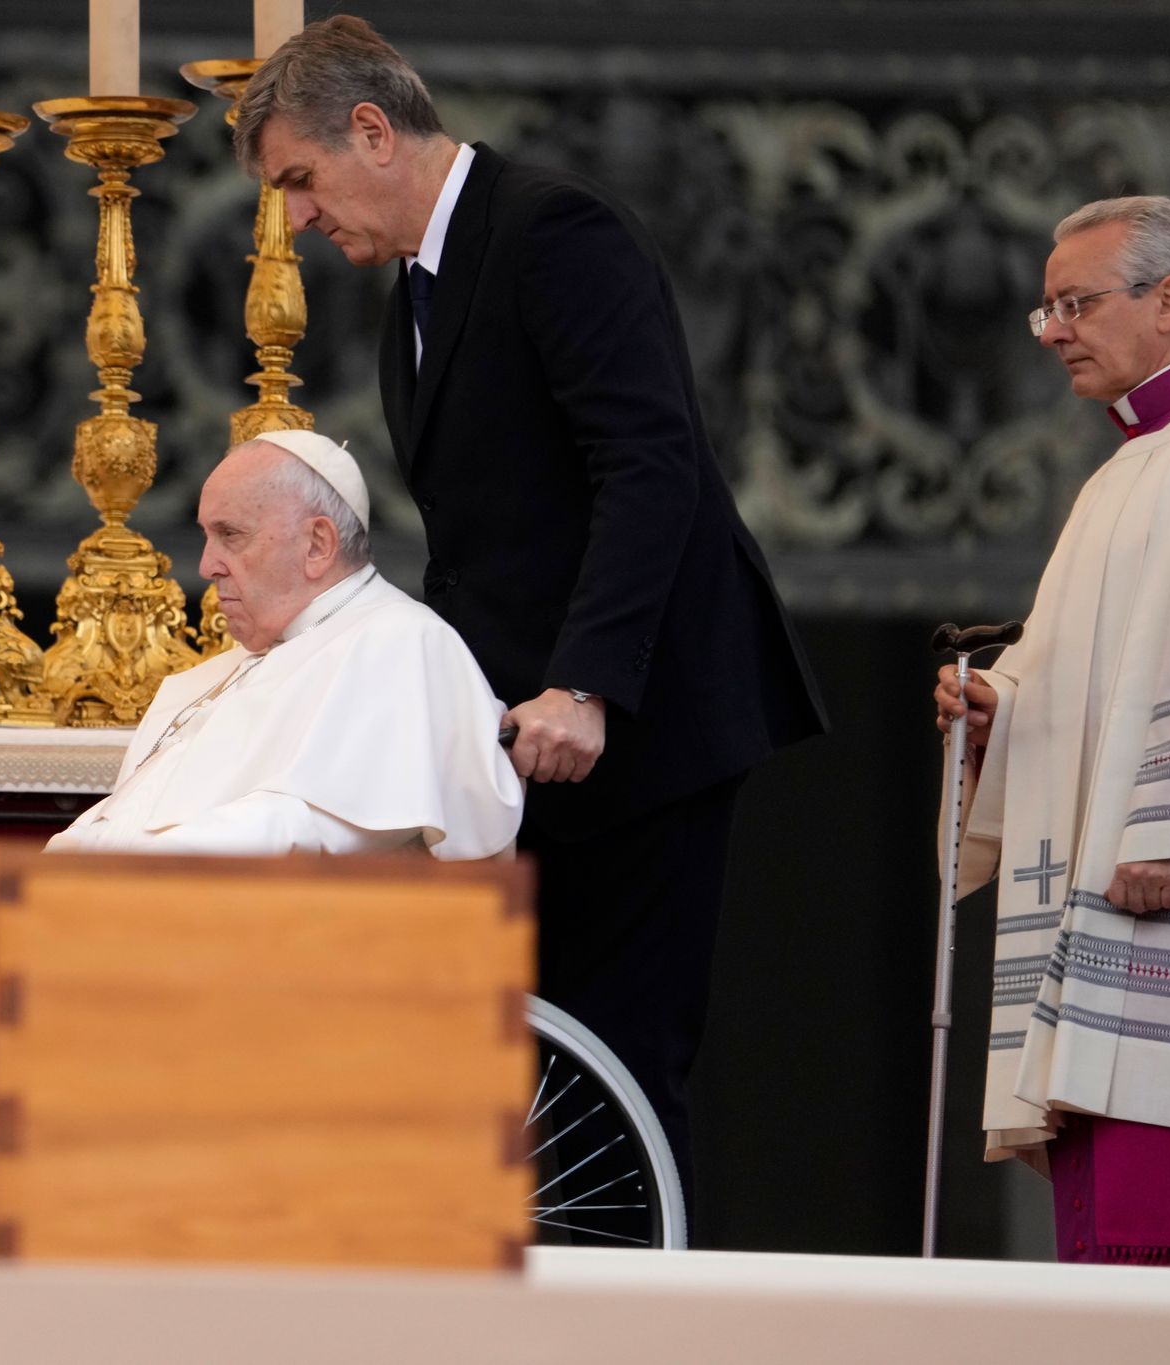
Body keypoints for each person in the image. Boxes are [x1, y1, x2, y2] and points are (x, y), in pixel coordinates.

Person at [232, 16, 825, 1193]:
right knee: (521, 1065)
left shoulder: (553, 231)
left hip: (640, 720)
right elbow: (480, 547)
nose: (294, 218)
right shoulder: (416, 288)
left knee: (621, 1065)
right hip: (530, 739)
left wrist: (586, 682)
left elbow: (648, 464)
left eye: (300, 180)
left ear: (371, 131)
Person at [934, 195, 1170, 1266]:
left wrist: (1165, 824)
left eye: (1074, 306)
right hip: (1101, 910)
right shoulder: (1118, 476)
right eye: (1044, 315)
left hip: (1158, 891)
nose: (1053, 336)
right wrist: (1000, 709)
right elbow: (1089, 682)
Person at [47, 430, 521, 859]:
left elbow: (308, 827)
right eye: (207, 536)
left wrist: (115, 871)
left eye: (230, 535)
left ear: (318, 544)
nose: (207, 565)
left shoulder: (404, 643)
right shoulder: (217, 675)